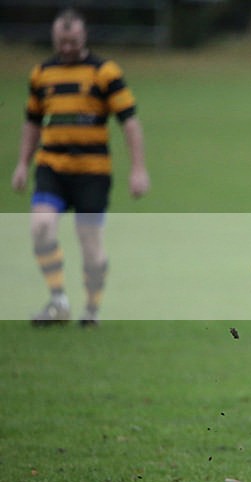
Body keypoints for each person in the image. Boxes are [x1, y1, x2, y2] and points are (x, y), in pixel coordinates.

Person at [11, 8, 150, 327]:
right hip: (52, 167)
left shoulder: (105, 72)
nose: (67, 47)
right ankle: (58, 300)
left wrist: (138, 169)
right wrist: (22, 163)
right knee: (41, 227)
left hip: (92, 171)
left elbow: (129, 122)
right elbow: (32, 122)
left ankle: (91, 309)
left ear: (84, 37)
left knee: (90, 243)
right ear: (54, 38)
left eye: (73, 41)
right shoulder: (41, 74)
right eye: (62, 41)